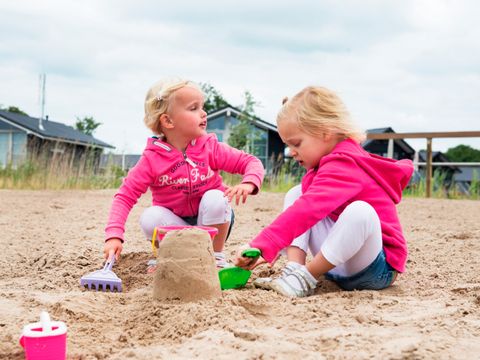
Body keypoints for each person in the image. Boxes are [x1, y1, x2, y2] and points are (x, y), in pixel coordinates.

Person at [234, 86, 413, 297]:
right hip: (339, 265)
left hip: (376, 269)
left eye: (296, 143)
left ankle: (304, 278)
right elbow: (305, 206)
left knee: (360, 211)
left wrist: (264, 244)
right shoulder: (323, 164)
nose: (291, 153)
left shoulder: (346, 163)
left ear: (325, 132)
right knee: (297, 193)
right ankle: (295, 269)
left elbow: (308, 209)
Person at [103, 78, 264, 268]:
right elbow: (125, 196)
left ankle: (215, 258)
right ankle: (172, 258)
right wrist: (114, 235)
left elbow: (250, 161)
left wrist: (249, 183)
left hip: (212, 223)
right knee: (150, 217)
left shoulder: (210, 148)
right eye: (193, 108)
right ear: (168, 120)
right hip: (175, 224)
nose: (204, 113)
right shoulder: (151, 159)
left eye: (202, 107)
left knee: (217, 197)